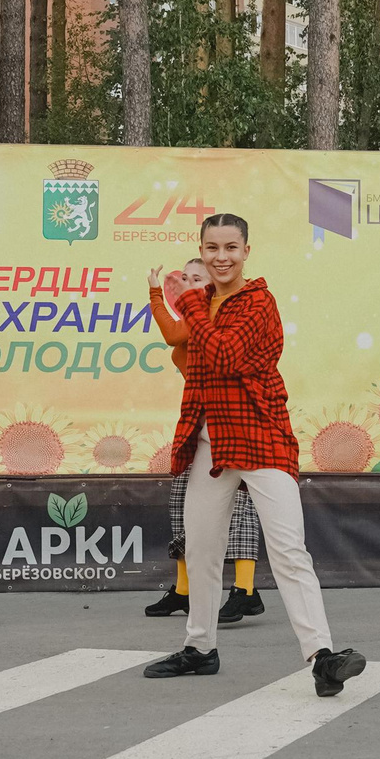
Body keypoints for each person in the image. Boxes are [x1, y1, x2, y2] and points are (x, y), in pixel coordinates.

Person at [142, 214, 368, 694]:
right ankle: (200, 648)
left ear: (247, 251)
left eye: (230, 247)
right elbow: (182, 344)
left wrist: (188, 304)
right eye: (211, 247)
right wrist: (163, 298)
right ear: (201, 250)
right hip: (209, 442)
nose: (220, 257)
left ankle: (322, 656)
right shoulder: (199, 302)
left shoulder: (258, 303)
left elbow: (223, 355)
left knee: (288, 550)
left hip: (259, 436)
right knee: (201, 549)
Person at [144, 255, 267, 627]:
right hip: (202, 422)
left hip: (238, 422)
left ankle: (245, 590)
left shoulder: (217, 315)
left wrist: (154, 294)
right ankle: (184, 590)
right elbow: (176, 333)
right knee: (183, 501)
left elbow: (172, 335)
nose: (188, 283)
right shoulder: (197, 315)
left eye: (197, 278)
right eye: (184, 277)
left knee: (242, 507)